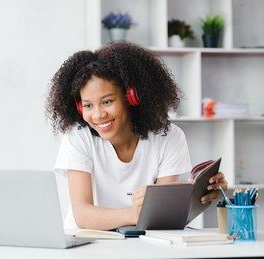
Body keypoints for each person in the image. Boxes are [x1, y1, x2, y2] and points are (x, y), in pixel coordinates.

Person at [45, 41, 227, 230]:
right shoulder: (78, 137)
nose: (98, 115)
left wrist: (197, 196)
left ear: (131, 97)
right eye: (88, 105)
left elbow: (160, 215)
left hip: (141, 243)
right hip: (87, 244)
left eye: (107, 101)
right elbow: (83, 215)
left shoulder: (169, 137)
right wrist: (134, 213)